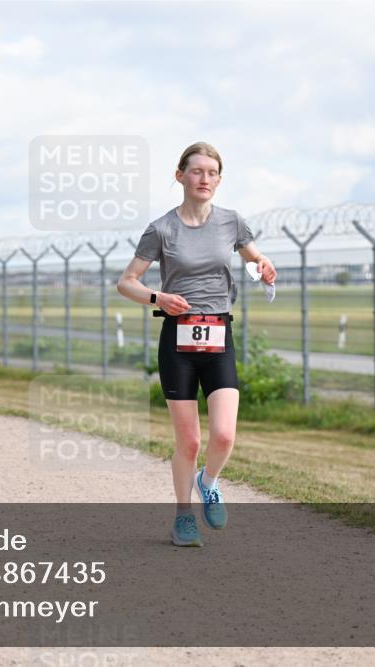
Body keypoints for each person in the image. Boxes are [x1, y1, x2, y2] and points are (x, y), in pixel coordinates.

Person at [116, 142, 277, 547]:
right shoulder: (161, 229)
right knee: (188, 440)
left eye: (212, 172)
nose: (205, 179)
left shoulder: (231, 222)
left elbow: (255, 259)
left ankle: (209, 481)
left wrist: (264, 266)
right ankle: (183, 517)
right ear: (180, 176)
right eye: (197, 171)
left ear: (219, 180)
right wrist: (159, 299)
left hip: (219, 333)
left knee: (223, 435)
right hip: (178, 337)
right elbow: (126, 282)